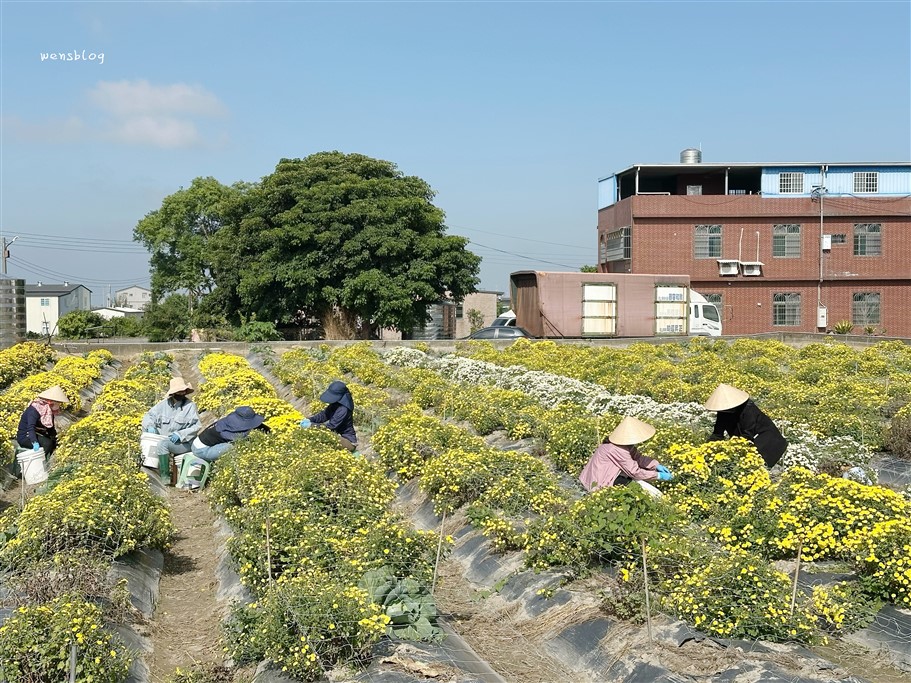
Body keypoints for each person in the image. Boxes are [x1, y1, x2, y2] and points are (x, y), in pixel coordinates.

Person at [579, 415, 673, 496]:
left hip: (604, 475)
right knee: (648, 494)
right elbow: (634, 472)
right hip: (599, 482)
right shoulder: (617, 449)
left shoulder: (622, 445)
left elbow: (637, 458)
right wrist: (658, 475)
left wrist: (656, 465)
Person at [704, 383, 788, 468]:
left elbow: (747, 435)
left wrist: (732, 450)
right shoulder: (723, 411)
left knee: (758, 467)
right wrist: (708, 448)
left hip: (767, 441)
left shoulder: (748, 409)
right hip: (748, 441)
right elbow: (718, 432)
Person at [141, 377, 201, 461]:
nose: (182, 393)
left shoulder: (190, 406)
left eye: (183, 391)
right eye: (179, 391)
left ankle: (165, 474)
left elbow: (196, 426)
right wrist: (150, 426)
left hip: (184, 443)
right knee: (146, 435)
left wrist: (180, 434)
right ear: (173, 393)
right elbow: (149, 416)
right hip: (165, 439)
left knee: (163, 445)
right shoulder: (163, 405)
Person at [191, 405, 270, 462]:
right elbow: (240, 440)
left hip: (197, 443)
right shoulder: (226, 433)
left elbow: (254, 424)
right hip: (201, 450)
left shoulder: (227, 422)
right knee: (233, 447)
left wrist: (269, 431)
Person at [300, 380, 358, 452]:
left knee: (324, 436)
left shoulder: (343, 409)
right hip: (337, 435)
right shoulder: (335, 404)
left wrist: (312, 425)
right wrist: (310, 420)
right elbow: (324, 415)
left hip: (349, 441)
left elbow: (330, 427)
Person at [16, 385, 69, 458]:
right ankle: (39, 463)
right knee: (47, 444)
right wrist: (34, 442)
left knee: (53, 443)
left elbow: (50, 429)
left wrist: (57, 439)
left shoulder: (48, 412)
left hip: (38, 434)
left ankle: (48, 461)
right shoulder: (34, 410)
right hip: (26, 436)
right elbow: (30, 427)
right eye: (58, 403)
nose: (59, 406)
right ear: (51, 402)